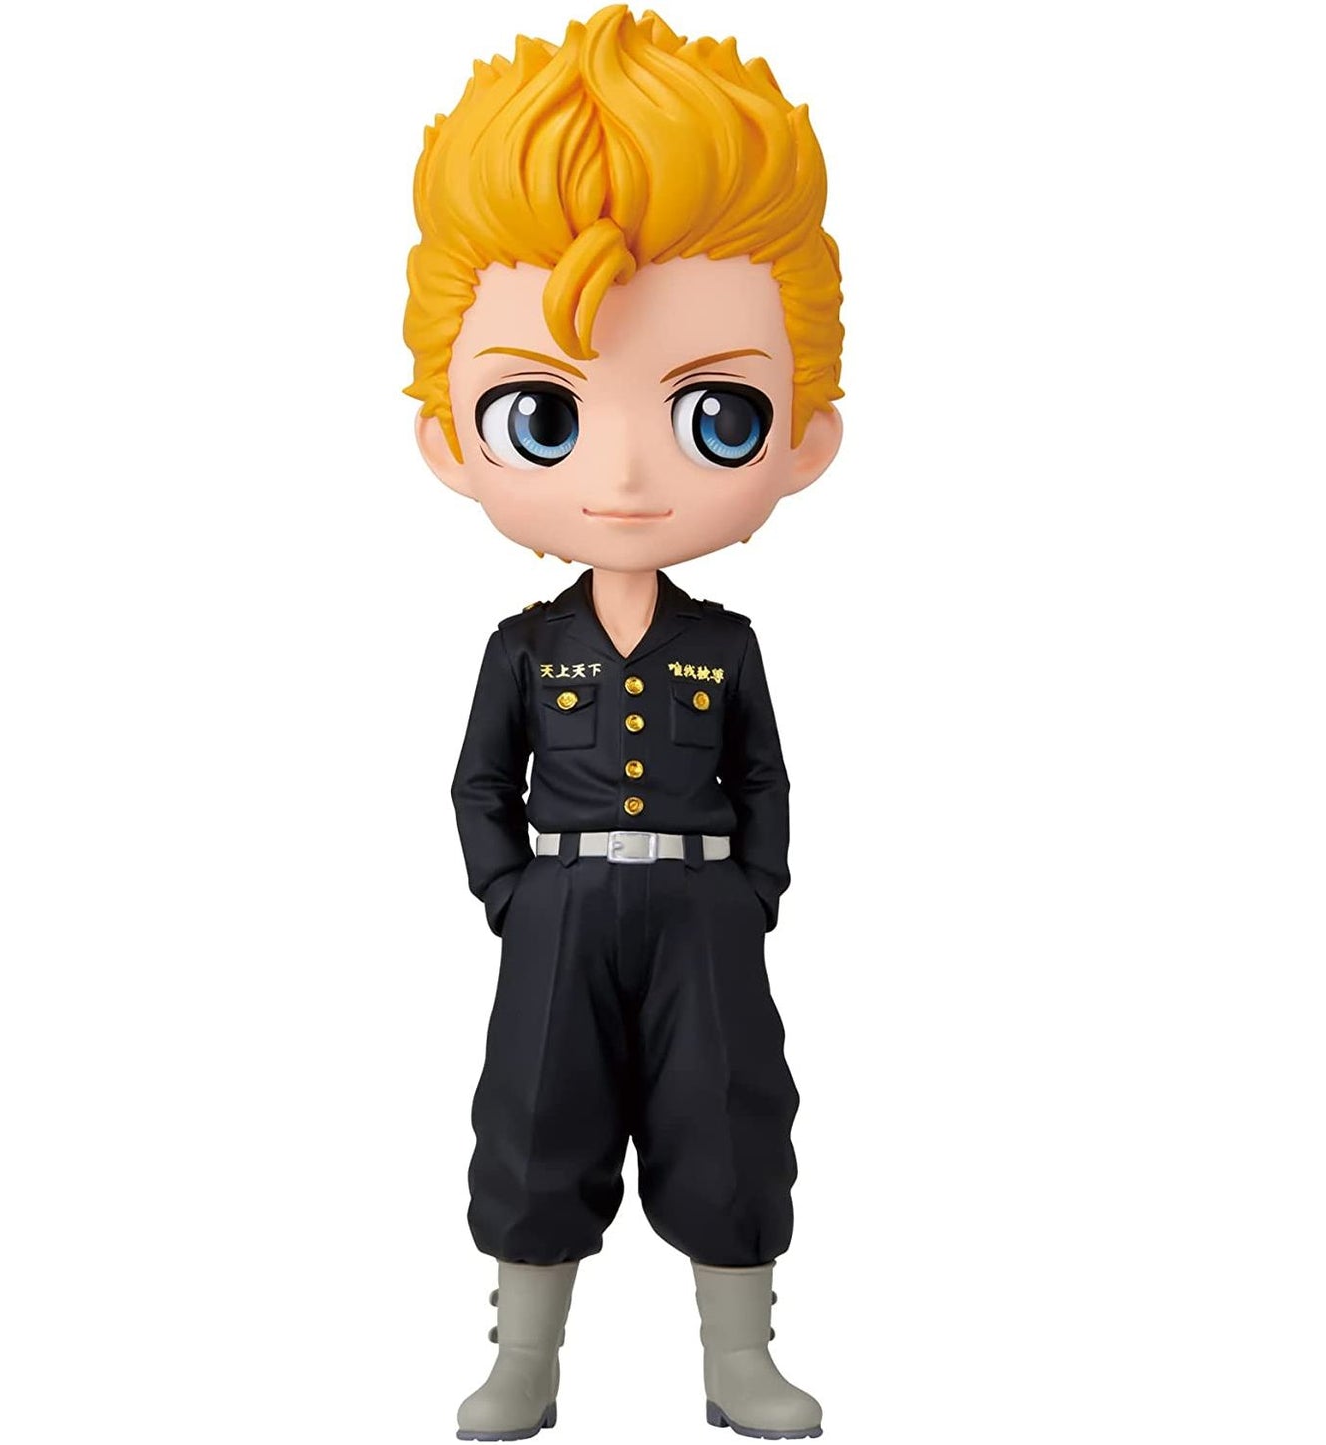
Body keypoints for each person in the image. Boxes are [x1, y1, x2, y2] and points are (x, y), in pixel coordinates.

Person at [403, 7, 844, 1438]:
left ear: (803, 435)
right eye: (544, 416)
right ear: (450, 439)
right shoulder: (525, 646)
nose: (631, 476)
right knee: (536, 1114)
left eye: (716, 415)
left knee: (731, 1113)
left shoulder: (727, 644)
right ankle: (522, 1359)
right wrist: (513, 893)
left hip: (702, 905)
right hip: (563, 898)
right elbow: (479, 781)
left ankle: (738, 1356)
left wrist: (751, 889)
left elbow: (766, 777)